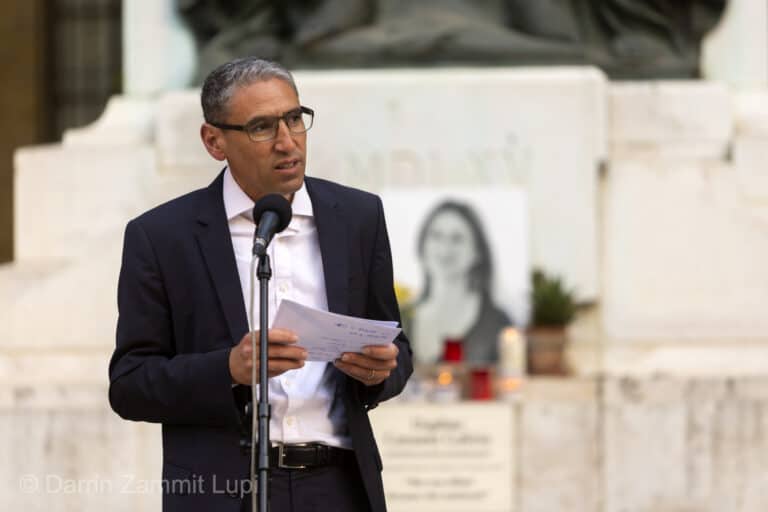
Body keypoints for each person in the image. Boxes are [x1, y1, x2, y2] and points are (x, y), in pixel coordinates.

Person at [108, 57, 412, 512]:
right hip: (221, 492)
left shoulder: (358, 217)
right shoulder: (161, 236)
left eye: (295, 119)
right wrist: (228, 369)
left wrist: (379, 372)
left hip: (339, 487)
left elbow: (398, 350)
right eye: (262, 127)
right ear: (214, 141)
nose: (287, 142)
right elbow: (130, 385)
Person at [410, 200, 512, 365]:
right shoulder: (403, 319)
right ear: (422, 245)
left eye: (457, 239)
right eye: (436, 236)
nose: (445, 248)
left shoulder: (498, 323)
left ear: (477, 252)